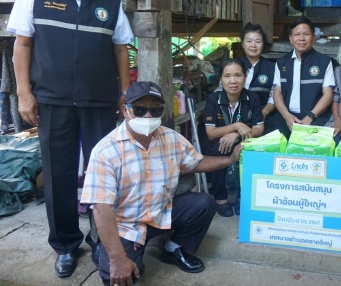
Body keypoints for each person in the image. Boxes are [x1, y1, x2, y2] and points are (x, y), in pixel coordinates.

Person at [7, 0, 133, 278]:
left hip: (99, 101)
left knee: (103, 173)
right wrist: (24, 93)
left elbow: (121, 49)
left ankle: (101, 240)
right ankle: (65, 245)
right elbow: (22, 45)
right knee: (58, 173)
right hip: (52, 99)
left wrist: (124, 92)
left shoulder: (111, 2)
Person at [81, 81, 240, 286]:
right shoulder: (106, 150)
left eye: (155, 109)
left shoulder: (171, 138)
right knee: (119, 276)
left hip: (160, 212)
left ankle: (173, 249)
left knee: (204, 203)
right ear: (125, 110)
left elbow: (195, 162)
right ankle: (110, 247)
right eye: (139, 109)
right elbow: (101, 209)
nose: (148, 116)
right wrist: (117, 258)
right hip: (126, 224)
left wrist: (230, 159)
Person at [204, 59, 264, 217]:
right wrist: (237, 125)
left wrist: (236, 134)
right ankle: (220, 198)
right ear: (221, 79)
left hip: (244, 140)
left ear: (245, 77)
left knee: (252, 150)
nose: (233, 81)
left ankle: (242, 197)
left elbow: (259, 128)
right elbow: (211, 133)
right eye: (227, 76)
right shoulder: (213, 99)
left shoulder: (252, 98)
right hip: (220, 142)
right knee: (219, 146)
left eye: (238, 75)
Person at [273, 17, 335, 138]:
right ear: (291, 39)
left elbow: (328, 95)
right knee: (276, 142)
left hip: (316, 117)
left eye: (306, 34)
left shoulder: (324, 62)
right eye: (297, 34)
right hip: (287, 117)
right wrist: (287, 116)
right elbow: (277, 93)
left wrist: (310, 117)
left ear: (314, 37)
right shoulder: (282, 62)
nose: (301, 38)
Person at [238, 22, 278, 132]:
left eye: (258, 41)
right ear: (242, 44)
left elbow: (274, 96)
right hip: (236, 116)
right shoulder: (233, 65)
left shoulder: (272, 67)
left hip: (264, 116)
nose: (253, 45)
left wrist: (262, 114)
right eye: (249, 41)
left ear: (263, 44)